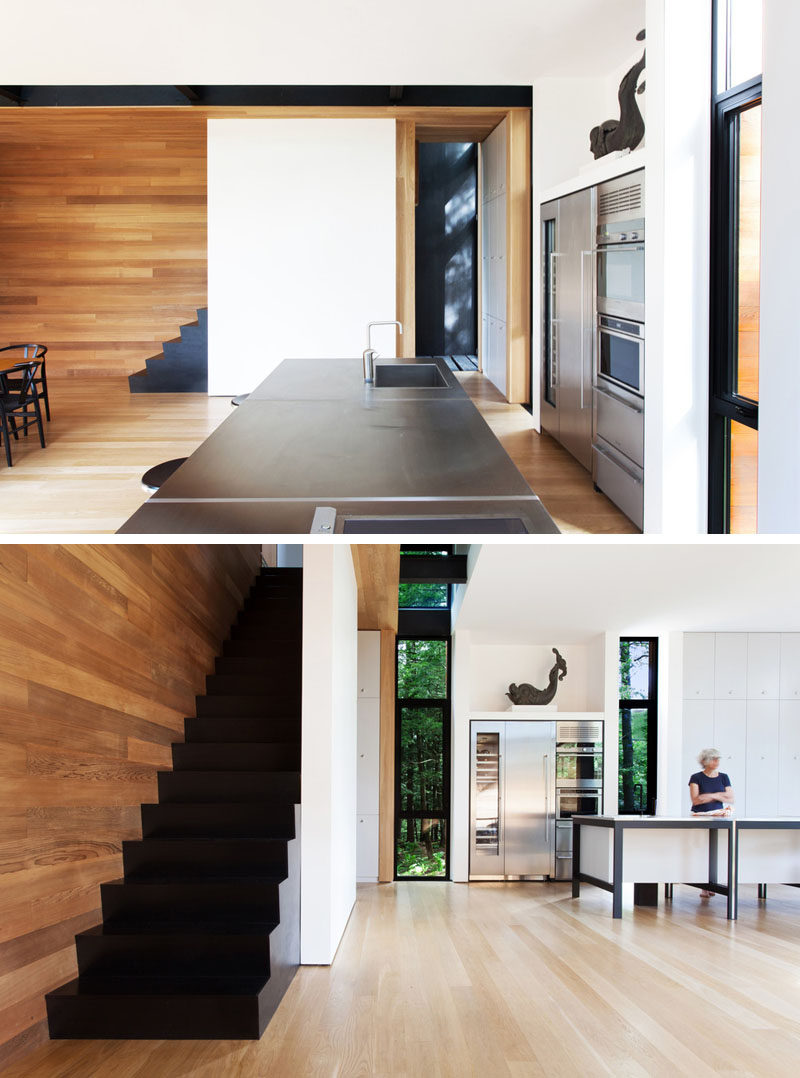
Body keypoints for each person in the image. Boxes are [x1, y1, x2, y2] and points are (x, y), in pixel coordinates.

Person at [688, 748, 735, 898]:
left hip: (718, 818)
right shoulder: (696, 778)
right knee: (701, 850)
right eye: (713, 759)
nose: (717, 762)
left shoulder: (724, 777)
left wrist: (710, 795)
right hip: (700, 817)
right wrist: (720, 796)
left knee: (715, 851)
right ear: (705, 761)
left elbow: (730, 798)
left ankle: (712, 883)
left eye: (718, 759)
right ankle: (704, 885)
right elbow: (696, 800)